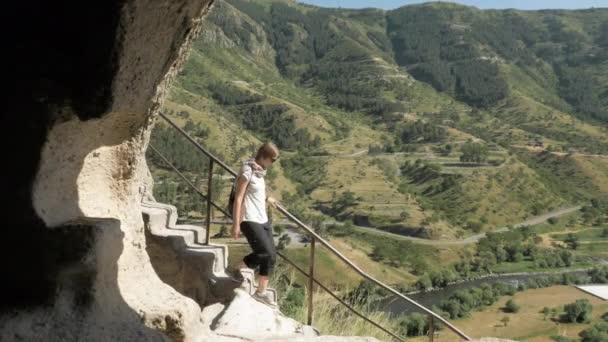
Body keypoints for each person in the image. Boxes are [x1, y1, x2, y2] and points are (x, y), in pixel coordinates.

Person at [232, 142, 280, 307]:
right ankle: (236, 269)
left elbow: (255, 193)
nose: (272, 164)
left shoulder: (260, 173)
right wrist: (236, 224)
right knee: (264, 252)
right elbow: (239, 198)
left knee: (271, 256)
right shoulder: (248, 171)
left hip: (262, 218)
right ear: (265, 157)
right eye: (272, 160)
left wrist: (268, 199)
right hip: (249, 218)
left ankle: (261, 292)